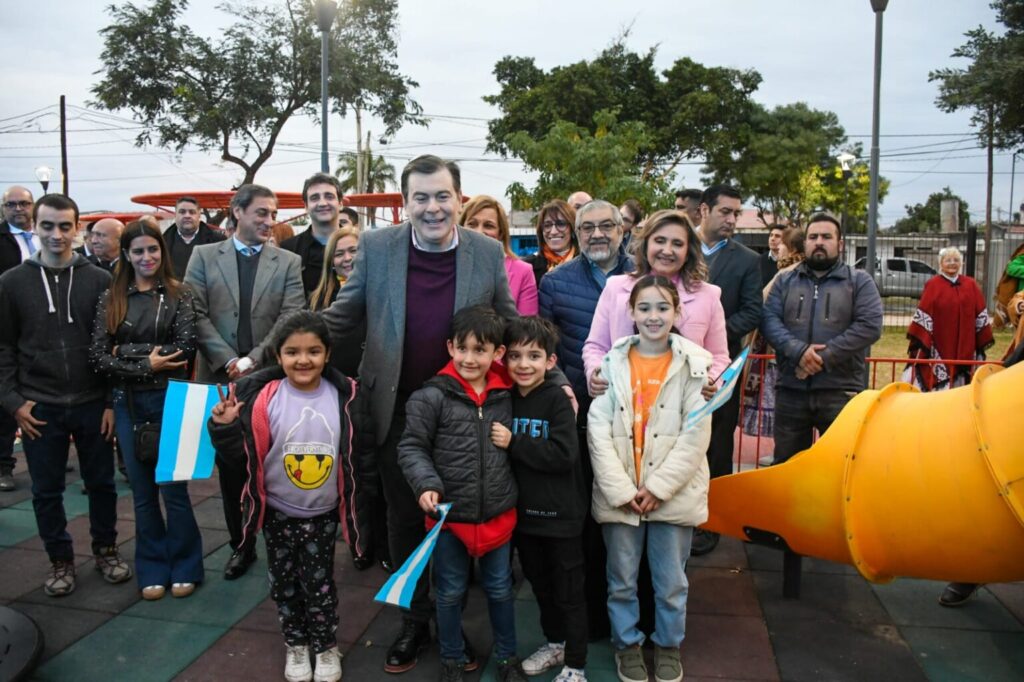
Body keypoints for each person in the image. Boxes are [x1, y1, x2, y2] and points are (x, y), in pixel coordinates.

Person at [318, 154, 518, 673]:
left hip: (463, 411)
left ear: (459, 197)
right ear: (406, 203)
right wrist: (279, 352)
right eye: (421, 198)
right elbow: (343, 316)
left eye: (442, 196)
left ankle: (450, 624)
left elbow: (511, 325)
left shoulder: (486, 250)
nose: (432, 208)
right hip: (398, 409)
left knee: (456, 521)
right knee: (406, 521)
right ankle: (415, 622)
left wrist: (557, 381)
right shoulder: (378, 247)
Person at [208, 312, 374, 682]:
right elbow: (241, 457)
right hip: (279, 512)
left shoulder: (345, 396)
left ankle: (326, 645)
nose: (303, 360)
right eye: (292, 352)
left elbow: (357, 455)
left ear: (327, 353)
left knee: (320, 582)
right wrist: (224, 428)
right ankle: (296, 644)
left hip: (323, 512)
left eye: (313, 351)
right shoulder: (264, 398)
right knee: (283, 582)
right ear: (278, 356)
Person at [0, 193, 132, 596]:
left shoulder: (99, 280)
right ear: (35, 228)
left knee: (103, 484)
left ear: (78, 229)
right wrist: (14, 402)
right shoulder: (11, 283)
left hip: (93, 402)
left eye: (64, 226)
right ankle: (60, 560)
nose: (56, 235)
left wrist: (111, 401)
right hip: (40, 406)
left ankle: (106, 550)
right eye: (47, 226)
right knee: (46, 491)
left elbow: (115, 343)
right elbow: (3, 348)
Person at [587, 274, 712, 682]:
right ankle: (627, 645)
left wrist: (658, 488)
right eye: (644, 308)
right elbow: (598, 428)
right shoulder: (613, 363)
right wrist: (622, 490)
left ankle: (668, 644)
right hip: (621, 495)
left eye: (662, 307)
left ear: (677, 312)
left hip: (671, 496)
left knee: (671, 582)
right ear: (630, 312)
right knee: (621, 579)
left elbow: (696, 433)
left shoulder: (695, 366)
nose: (653, 316)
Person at [397, 305, 526, 682]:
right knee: (450, 592)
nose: (470, 358)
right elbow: (412, 446)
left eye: (480, 350)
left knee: (501, 589)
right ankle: (452, 659)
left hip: (498, 514)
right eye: (463, 348)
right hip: (449, 518)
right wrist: (426, 484)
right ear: (450, 347)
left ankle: (507, 657)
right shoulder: (432, 395)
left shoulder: (508, 394)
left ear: (497, 354)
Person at [184, 183, 305, 580]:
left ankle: (282, 543)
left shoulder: (287, 262)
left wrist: (254, 358)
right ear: (237, 212)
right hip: (220, 379)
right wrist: (229, 358)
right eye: (262, 213)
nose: (269, 221)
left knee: (274, 464)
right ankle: (241, 545)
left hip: (269, 378)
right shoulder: (202, 256)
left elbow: (291, 316)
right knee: (231, 466)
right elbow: (194, 312)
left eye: (272, 214)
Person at [89, 218, 204, 601]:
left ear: (162, 251)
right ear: (126, 254)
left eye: (152, 249)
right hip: (128, 403)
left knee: (174, 490)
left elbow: (183, 349)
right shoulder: (112, 297)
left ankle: (186, 565)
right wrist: (146, 362)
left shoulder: (179, 293)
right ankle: (152, 568)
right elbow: (97, 357)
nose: (146, 256)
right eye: (138, 250)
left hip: (171, 398)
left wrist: (125, 351)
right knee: (142, 492)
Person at [539, 198, 632, 641]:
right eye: (587, 227)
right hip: (581, 415)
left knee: (627, 516)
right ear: (576, 234)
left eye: (606, 226)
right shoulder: (556, 284)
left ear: (621, 229)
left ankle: (631, 615)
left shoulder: (644, 276)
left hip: (637, 418)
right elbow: (545, 348)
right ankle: (587, 613)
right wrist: (567, 388)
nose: (597, 234)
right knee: (585, 520)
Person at [493, 316, 588, 682]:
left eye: (534, 356)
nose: (523, 365)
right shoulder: (505, 399)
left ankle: (576, 664)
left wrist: (516, 443)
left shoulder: (557, 400)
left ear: (550, 361)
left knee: (569, 591)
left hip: (561, 515)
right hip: (524, 516)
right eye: (515, 356)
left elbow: (564, 454)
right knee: (540, 585)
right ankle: (555, 643)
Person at [761, 214, 883, 465]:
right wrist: (798, 352)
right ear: (804, 243)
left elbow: (869, 326)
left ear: (840, 244)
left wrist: (822, 358)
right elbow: (769, 321)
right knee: (786, 466)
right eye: (813, 237)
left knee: (842, 466)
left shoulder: (859, 281)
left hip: (841, 392)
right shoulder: (785, 281)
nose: (819, 242)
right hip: (791, 390)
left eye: (826, 237)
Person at [583, 209, 729, 391]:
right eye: (659, 241)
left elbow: (719, 356)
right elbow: (596, 346)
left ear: (688, 250)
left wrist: (712, 381)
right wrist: (596, 373)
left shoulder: (709, 296)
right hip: (623, 403)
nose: (667, 250)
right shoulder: (615, 288)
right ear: (646, 244)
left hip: (685, 408)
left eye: (677, 243)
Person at [692, 184, 762, 555]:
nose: (732, 219)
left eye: (737, 213)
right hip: (675, 364)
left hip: (720, 367)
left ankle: (710, 523)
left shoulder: (747, 260)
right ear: (705, 210)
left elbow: (753, 311)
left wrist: (712, 333)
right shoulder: (679, 248)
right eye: (726, 212)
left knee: (717, 446)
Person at [742, 225, 805, 443]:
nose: (777, 247)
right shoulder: (792, 271)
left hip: (778, 350)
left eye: (782, 244)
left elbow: (764, 303)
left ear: (793, 248)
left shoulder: (787, 274)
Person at [906, 246, 993, 391]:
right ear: (940, 264)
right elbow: (924, 311)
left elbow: (980, 312)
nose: (952, 263)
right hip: (939, 341)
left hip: (966, 342)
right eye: (948, 260)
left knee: (964, 380)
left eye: (956, 260)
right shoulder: (933, 285)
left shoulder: (970, 284)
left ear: (961, 264)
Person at [0, 185, 39, 491]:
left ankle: (49, 451)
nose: (17, 209)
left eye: (23, 203)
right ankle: (3, 465)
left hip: (42, 326)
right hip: (8, 325)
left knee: (40, 393)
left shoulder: (43, 236)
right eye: (11, 204)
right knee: (7, 396)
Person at [460, 195, 538, 315]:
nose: (479, 232)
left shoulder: (523, 271)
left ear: (501, 233)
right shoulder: (448, 265)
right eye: (472, 224)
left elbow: (526, 328)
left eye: (488, 225)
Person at [282, 174, 347, 297]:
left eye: (329, 196)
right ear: (306, 206)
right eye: (314, 198)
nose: (322, 203)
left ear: (340, 203)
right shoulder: (288, 250)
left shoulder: (362, 245)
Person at [163, 196, 226, 279]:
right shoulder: (162, 242)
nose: (187, 216)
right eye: (182, 212)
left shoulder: (218, 241)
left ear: (199, 215)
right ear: (175, 215)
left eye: (192, 212)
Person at [523, 200, 579, 287]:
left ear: (572, 228)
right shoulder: (527, 266)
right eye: (547, 225)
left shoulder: (589, 265)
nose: (553, 232)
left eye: (561, 224)